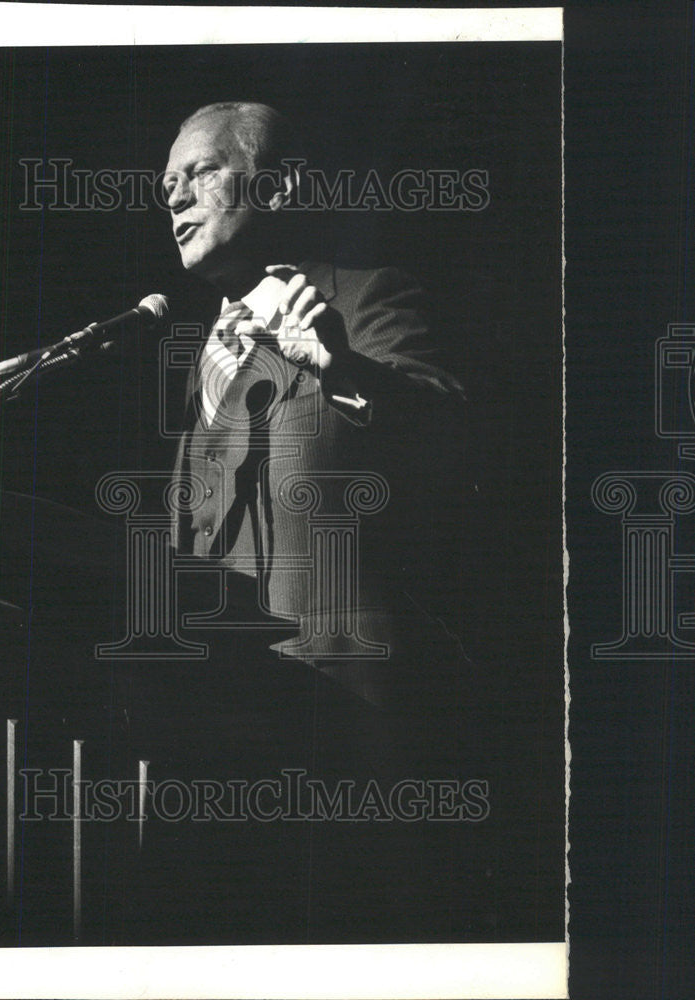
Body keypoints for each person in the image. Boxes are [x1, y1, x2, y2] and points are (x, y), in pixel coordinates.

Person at [164, 101, 468, 711]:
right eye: (168, 185)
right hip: (222, 714)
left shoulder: (364, 300)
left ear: (277, 188)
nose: (175, 200)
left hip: (347, 703)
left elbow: (450, 438)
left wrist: (345, 372)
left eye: (201, 172)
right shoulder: (200, 363)